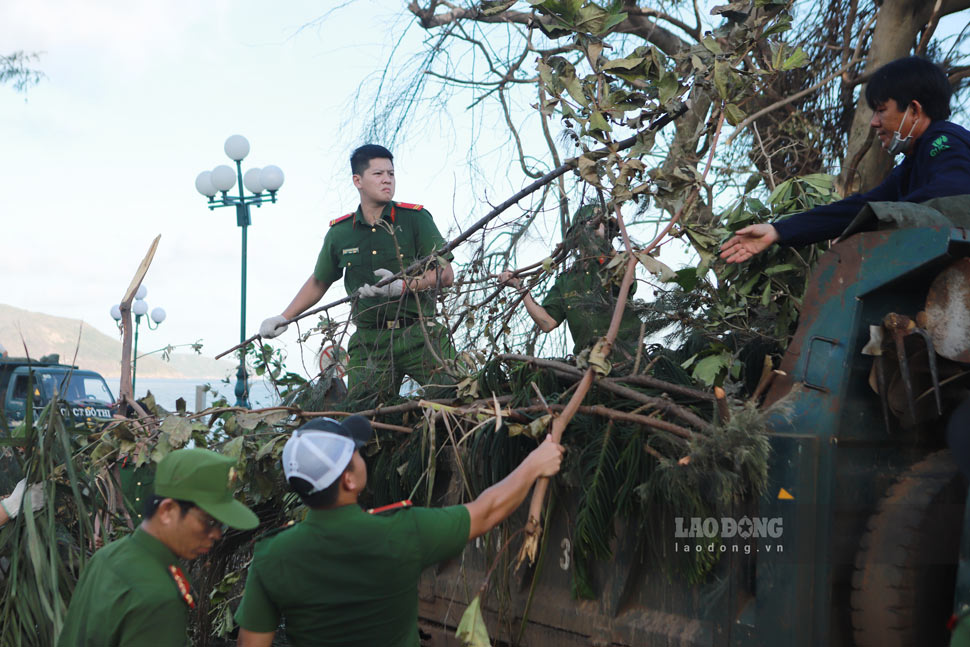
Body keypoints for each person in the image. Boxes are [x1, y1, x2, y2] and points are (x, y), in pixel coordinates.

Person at [233, 415, 565, 647]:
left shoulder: (271, 556)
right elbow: (487, 511)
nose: (364, 457)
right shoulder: (402, 532)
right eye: (358, 454)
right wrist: (535, 463)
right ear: (348, 479)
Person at [720, 56, 970, 264]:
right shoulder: (910, 165)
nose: (874, 122)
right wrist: (778, 230)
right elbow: (861, 207)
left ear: (914, 110)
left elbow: (952, 195)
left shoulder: (944, 141)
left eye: (881, 110)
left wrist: (871, 226)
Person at [259, 144, 456, 407]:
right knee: (365, 419)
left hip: (420, 333)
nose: (387, 179)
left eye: (391, 173)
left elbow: (445, 274)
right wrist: (285, 317)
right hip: (369, 341)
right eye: (378, 174)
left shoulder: (414, 219)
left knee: (457, 400)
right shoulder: (341, 232)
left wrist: (404, 286)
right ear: (357, 180)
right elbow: (320, 280)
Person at [57, 448, 259, 647]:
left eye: (220, 525)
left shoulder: (109, 556)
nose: (216, 534)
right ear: (167, 511)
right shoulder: (160, 595)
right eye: (209, 522)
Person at [498, 204, 644, 361]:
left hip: (628, 360)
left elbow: (625, 281)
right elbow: (547, 322)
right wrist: (520, 288)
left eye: (598, 227)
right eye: (589, 228)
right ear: (576, 235)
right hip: (588, 365)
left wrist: (598, 243)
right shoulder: (566, 279)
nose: (593, 232)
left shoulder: (621, 261)